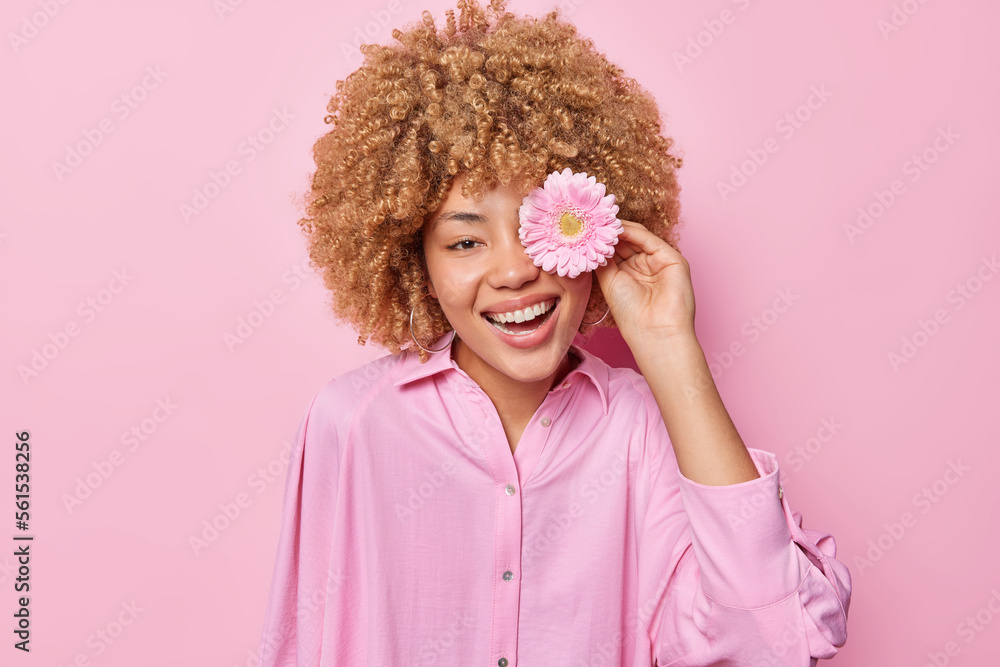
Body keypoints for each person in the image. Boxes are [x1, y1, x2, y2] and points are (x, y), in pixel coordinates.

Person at [256, 1, 852, 664]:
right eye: (464, 240)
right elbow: (301, 641)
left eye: (544, 223)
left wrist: (669, 347)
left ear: (595, 229)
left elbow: (776, 642)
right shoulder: (352, 422)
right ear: (413, 263)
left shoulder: (642, 430)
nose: (513, 270)